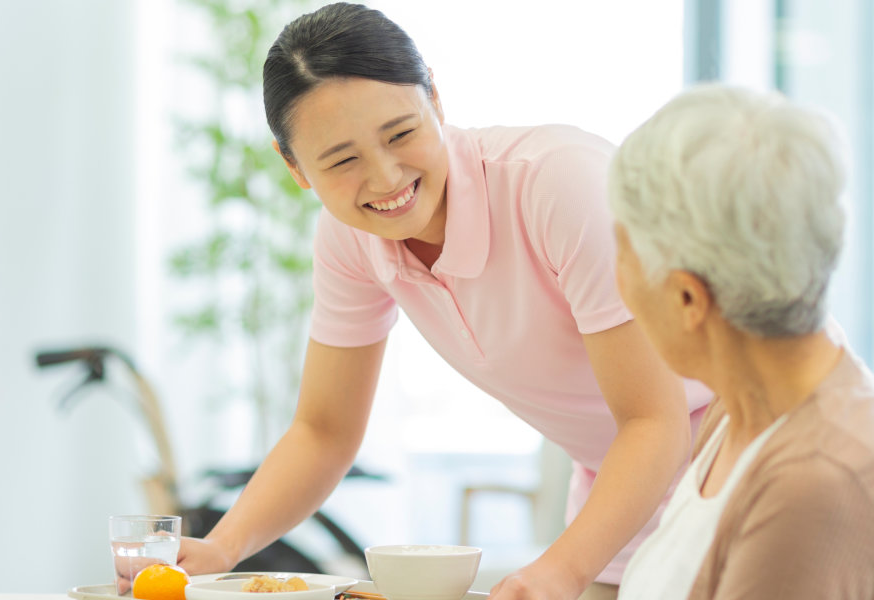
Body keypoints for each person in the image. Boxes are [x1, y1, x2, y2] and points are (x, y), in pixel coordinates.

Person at [162, 4, 713, 600]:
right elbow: (323, 430)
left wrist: (559, 570)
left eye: (401, 133)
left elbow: (655, 421)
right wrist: (220, 549)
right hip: (624, 485)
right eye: (342, 160)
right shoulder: (349, 238)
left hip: (743, 449)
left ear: (436, 98)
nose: (385, 178)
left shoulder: (559, 184)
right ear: (294, 167)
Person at [608, 86, 874, 600]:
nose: (617, 281)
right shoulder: (743, 407)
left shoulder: (814, 485)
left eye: (621, 251)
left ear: (689, 299)